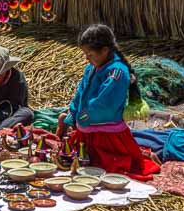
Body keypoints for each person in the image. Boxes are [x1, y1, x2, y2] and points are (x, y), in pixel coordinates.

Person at [56, 24, 160, 181]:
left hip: (107, 137)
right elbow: (80, 93)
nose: (87, 58)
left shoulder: (117, 72)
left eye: (90, 54)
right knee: (72, 160)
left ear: (104, 50)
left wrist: (84, 117)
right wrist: (73, 114)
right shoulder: (91, 68)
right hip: (87, 132)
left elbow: (105, 103)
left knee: (107, 168)